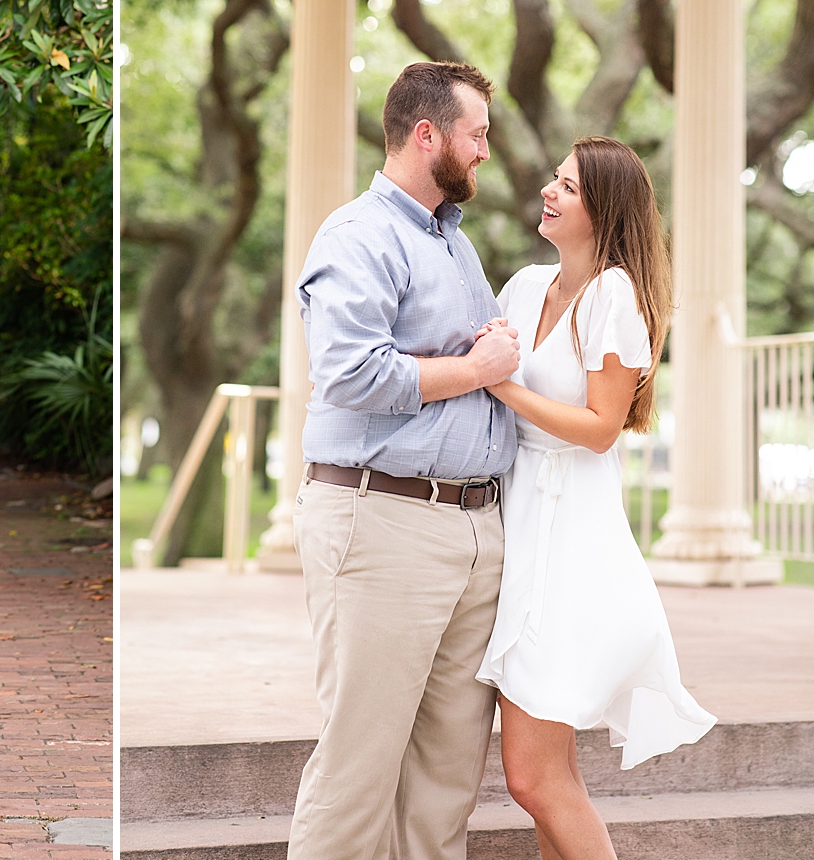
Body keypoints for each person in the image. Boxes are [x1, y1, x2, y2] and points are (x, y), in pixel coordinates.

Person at [289, 61, 522, 860]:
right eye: (477, 135)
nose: (486, 153)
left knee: (447, 779)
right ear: (428, 135)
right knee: (359, 767)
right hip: (382, 519)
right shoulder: (358, 234)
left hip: (473, 529)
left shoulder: (454, 245)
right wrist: (478, 369)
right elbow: (351, 373)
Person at [475, 137, 715, 859]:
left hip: (573, 542)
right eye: (555, 178)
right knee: (552, 775)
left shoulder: (613, 295)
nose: (549, 190)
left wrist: (503, 386)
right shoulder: (522, 287)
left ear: (604, 208)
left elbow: (602, 428)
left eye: (570, 187)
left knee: (533, 778)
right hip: (520, 522)